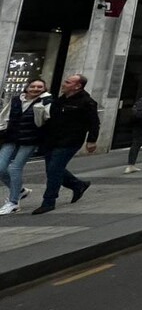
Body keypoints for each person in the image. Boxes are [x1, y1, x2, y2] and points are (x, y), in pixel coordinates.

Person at [32, 74, 98, 215]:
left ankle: (49, 202)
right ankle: (78, 185)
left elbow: (94, 123)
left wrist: (92, 140)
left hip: (70, 141)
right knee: (53, 169)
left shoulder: (87, 102)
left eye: (67, 82)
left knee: (54, 170)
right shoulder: (60, 100)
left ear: (77, 86)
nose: (63, 84)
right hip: (52, 139)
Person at [0, 78, 52, 215]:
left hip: (31, 139)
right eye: (33, 86)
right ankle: (20, 191)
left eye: (39, 87)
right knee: (0, 167)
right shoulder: (17, 100)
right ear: (27, 87)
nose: (36, 89)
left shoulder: (47, 101)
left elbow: (45, 121)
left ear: (44, 89)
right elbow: (5, 116)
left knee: (15, 168)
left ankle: (13, 202)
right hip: (11, 137)